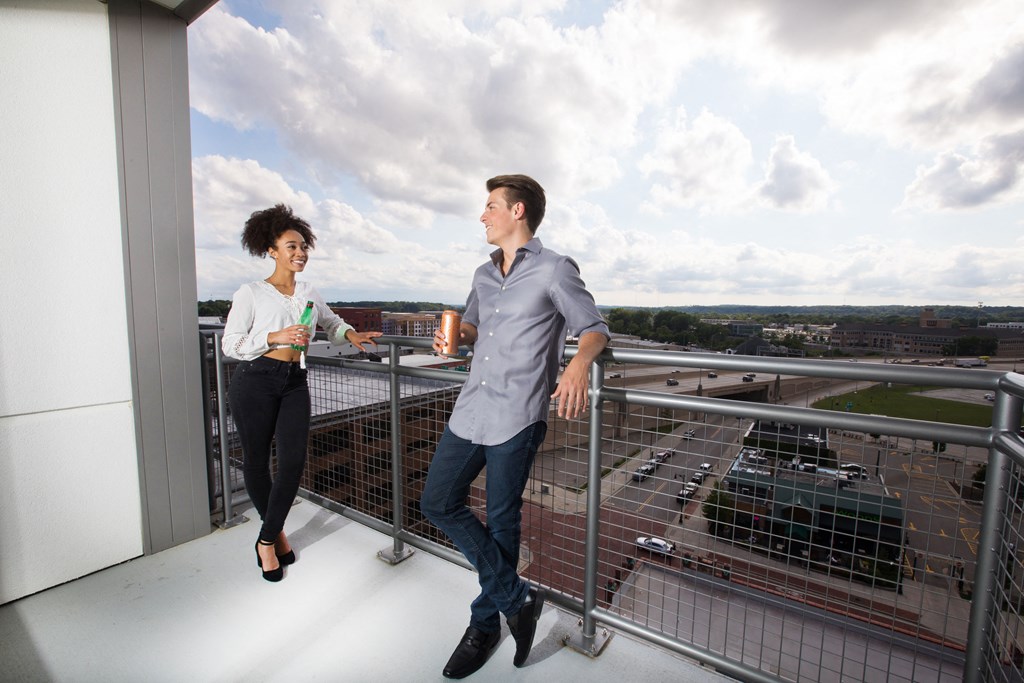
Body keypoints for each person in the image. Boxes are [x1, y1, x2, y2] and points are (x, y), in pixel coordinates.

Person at [420, 175, 609, 678]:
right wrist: (456, 335)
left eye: (490, 207)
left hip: (518, 414)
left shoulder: (555, 269)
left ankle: (484, 626)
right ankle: (517, 600)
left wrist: (575, 365)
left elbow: (593, 328)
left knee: (503, 524)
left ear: (517, 210)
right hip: (471, 408)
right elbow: (477, 326)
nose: (482, 216)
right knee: (437, 501)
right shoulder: (483, 274)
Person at [222, 204, 381, 582]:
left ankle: (263, 539)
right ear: (271, 250)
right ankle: (274, 534)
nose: (300, 253)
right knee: (257, 462)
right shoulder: (251, 293)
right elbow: (231, 343)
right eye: (291, 246)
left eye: (303, 247)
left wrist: (350, 334)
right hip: (254, 380)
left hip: (294, 380)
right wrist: (275, 336)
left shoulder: (308, 291)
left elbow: (330, 322)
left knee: (293, 461)